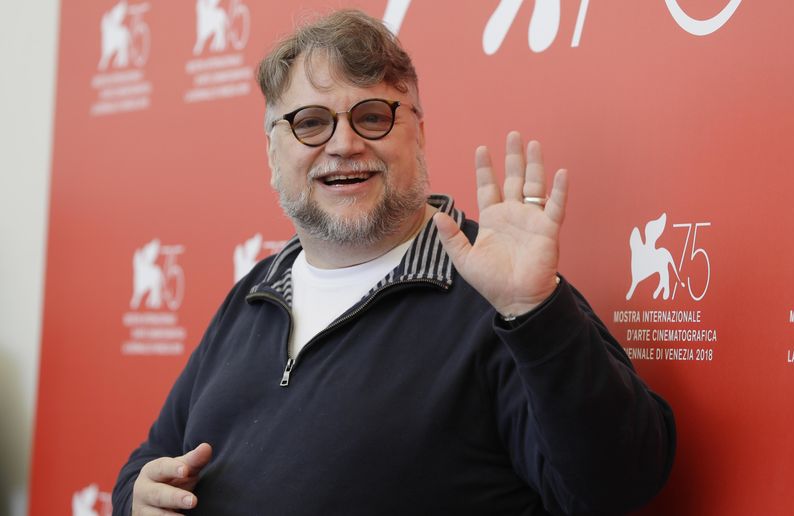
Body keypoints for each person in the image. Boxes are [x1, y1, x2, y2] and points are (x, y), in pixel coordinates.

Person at [112, 9, 675, 516]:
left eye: (373, 115)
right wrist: (138, 497)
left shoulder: (498, 295)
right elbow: (144, 467)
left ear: (418, 135)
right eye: (310, 122)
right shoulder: (256, 291)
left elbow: (617, 484)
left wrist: (535, 310)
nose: (343, 144)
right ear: (272, 151)